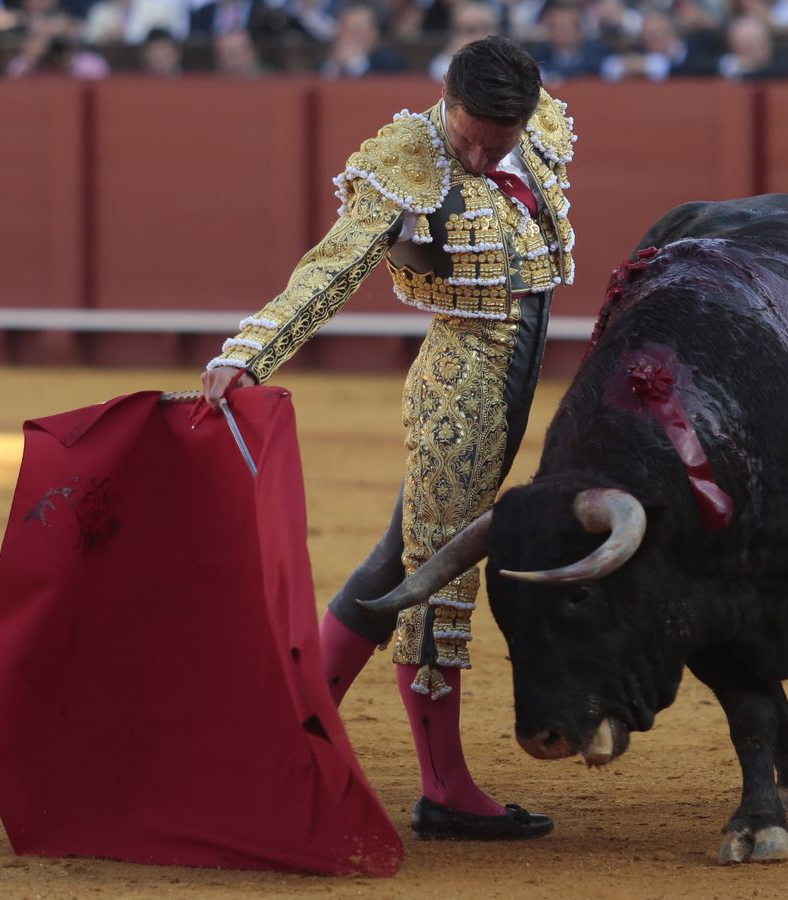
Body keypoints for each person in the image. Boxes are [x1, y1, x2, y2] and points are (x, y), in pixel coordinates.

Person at [200, 35, 573, 842]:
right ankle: (443, 788)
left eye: (494, 143)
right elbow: (331, 267)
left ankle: (282, 739)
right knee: (436, 577)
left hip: (510, 390)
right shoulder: (406, 163)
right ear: (446, 100)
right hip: (460, 389)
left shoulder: (535, 132)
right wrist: (248, 354)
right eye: (468, 135)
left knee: (394, 563)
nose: (477, 154)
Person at [318, 2, 407, 77]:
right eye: (346, 30)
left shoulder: (390, 62)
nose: (353, 36)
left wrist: (356, 64)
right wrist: (334, 65)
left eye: (358, 30)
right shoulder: (326, 60)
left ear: (373, 33)